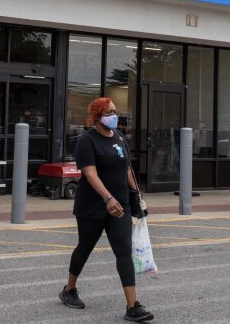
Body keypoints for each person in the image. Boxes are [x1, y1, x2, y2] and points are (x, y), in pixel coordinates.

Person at [58, 97, 153, 322]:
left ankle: (132, 306)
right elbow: (90, 174)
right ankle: (69, 289)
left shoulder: (119, 137)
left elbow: (127, 167)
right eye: (110, 111)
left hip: (120, 204)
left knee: (123, 252)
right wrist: (107, 198)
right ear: (98, 115)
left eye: (115, 111)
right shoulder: (86, 141)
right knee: (85, 247)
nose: (115, 115)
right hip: (92, 206)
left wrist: (136, 192)